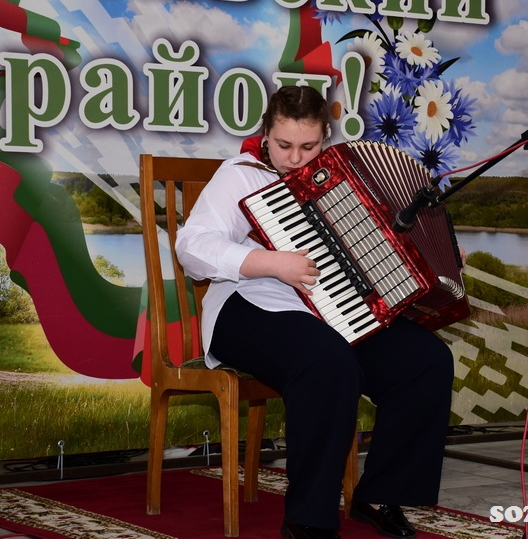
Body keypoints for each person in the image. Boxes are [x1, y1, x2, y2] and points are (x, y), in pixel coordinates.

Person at [175, 85, 455, 539]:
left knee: (426, 361)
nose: (294, 158)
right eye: (283, 144)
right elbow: (192, 248)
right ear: (266, 133)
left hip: (336, 310)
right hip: (248, 306)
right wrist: (271, 262)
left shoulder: (347, 177)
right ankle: (308, 519)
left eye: (308, 146)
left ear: (326, 135)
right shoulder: (240, 175)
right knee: (328, 362)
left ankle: (379, 495)